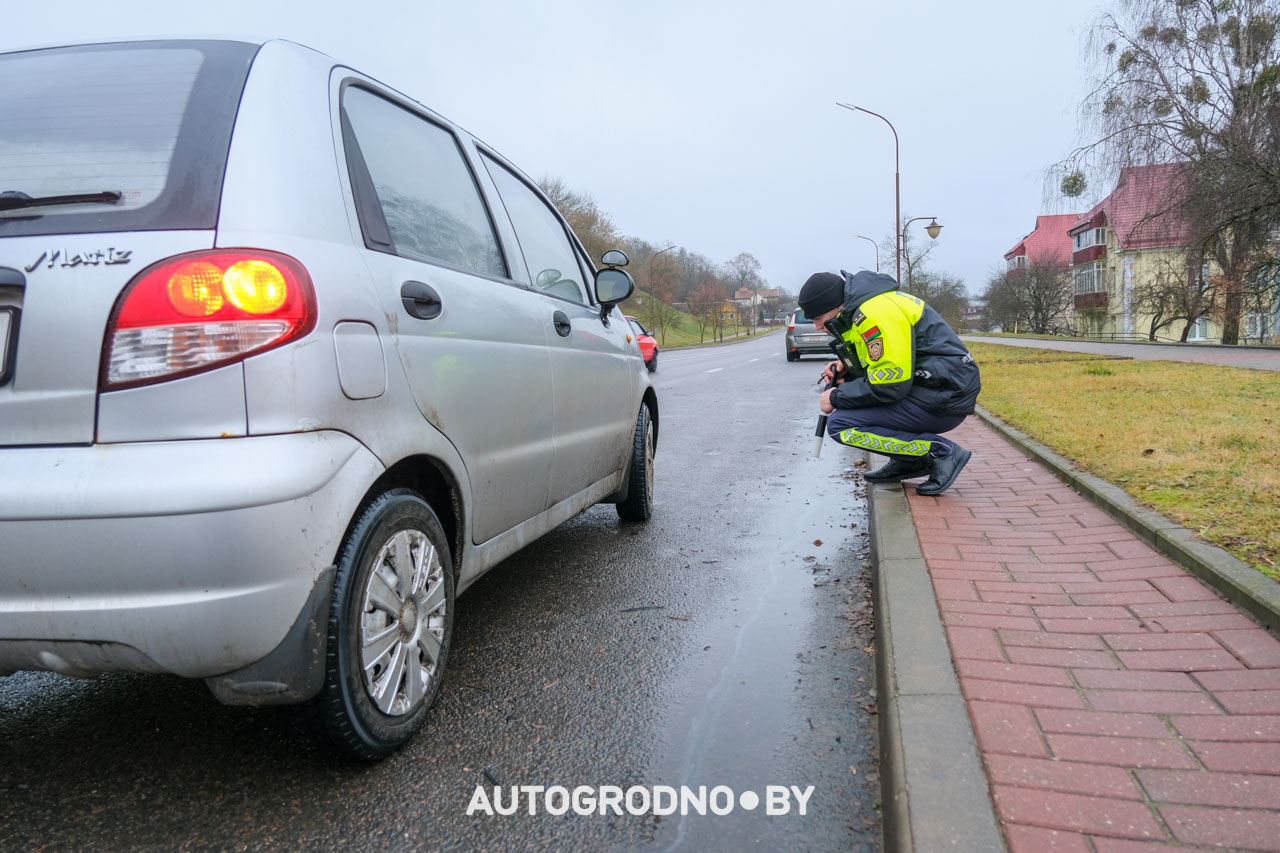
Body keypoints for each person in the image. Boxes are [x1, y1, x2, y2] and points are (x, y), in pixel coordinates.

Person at [798, 269, 981, 496]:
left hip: (944, 396)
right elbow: (882, 366)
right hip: (937, 386)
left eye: (818, 318)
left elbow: (891, 384)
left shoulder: (875, 313)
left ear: (834, 306)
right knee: (850, 413)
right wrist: (847, 371)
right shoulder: (865, 307)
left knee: (841, 425)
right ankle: (910, 461)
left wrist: (836, 396)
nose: (816, 326)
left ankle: (942, 453)